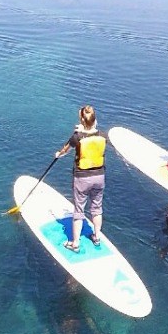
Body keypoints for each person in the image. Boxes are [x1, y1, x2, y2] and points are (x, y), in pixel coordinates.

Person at [54, 105, 108, 252]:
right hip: (99, 176)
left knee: (79, 210)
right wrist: (85, 129)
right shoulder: (103, 135)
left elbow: (65, 150)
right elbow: (93, 134)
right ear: (95, 120)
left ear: (81, 120)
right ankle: (97, 237)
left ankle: (75, 243)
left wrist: (59, 154)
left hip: (82, 178)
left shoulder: (77, 137)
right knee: (97, 208)